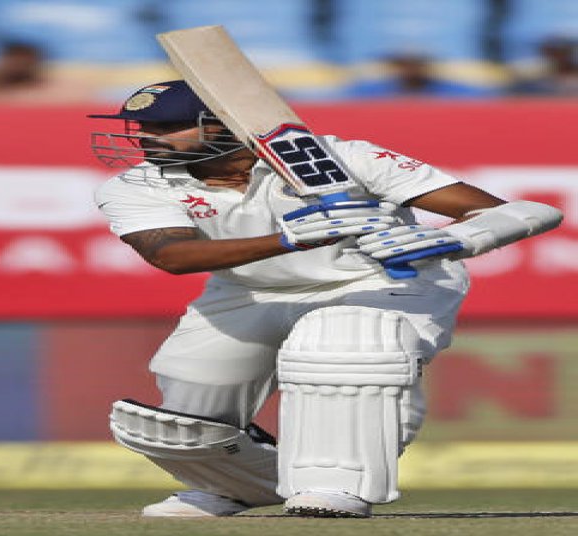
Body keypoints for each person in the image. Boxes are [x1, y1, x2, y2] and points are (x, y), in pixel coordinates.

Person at [88, 80, 562, 518]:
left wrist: (451, 240)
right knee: (185, 403)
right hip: (248, 288)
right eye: (143, 128)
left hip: (375, 282)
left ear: (224, 124)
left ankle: (336, 484)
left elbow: (510, 211)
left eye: (166, 127)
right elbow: (172, 255)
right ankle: (237, 485)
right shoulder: (135, 185)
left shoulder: (343, 156)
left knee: (342, 345)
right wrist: (288, 240)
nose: (147, 138)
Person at [0, 41, 96, 104]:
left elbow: (83, 100)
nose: (17, 66)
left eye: (24, 61)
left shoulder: (59, 90)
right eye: (13, 60)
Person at [345, 52, 499, 98]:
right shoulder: (371, 91)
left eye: (416, 64)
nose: (411, 69)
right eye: (404, 64)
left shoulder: (451, 90)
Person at [509, 36, 578, 97]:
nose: (559, 56)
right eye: (552, 52)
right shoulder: (534, 78)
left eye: (563, 52)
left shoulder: (572, 75)